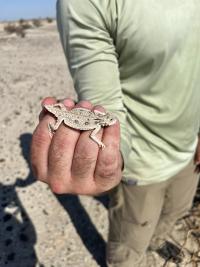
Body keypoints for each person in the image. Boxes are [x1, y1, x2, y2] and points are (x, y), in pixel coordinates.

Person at [31, 0, 200, 266]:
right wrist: (111, 159)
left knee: (173, 215)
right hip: (143, 166)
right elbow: (104, 103)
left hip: (190, 151)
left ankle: (155, 243)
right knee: (128, 248)